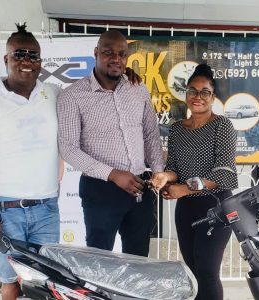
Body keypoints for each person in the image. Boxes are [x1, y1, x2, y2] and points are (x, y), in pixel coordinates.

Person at [0, 24, 61, 300]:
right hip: (5, 212)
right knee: (11, 285)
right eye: (19, 54)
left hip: (47, 209)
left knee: (48, 286)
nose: (26, 61)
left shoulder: (53, 95)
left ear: (40, 62)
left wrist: (123, 76)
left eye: (33, 55)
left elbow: (89, 99)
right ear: (5, 59)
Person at [57, 30, 164, 257]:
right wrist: (113, 174)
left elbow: (150, 134)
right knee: (99, 261)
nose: (116, 59)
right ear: (96, 53)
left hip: (140, 187)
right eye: (108, 53)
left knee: (138, 261)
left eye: (121, 54)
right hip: (100, 189)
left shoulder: (138, 89)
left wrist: (157, 172)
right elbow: (68, 148)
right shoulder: (72, 96)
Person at [151, 64, 238, 300]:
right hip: (187, 210)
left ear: (213, 97)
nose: (197, 97)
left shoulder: (222, 126)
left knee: (208, 272)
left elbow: (225, 174)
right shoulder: (177, 129)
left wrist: (184, 189)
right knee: (193, 272)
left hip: (215, 207)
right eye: (192, 91)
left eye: (204, 92)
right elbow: (175, 169)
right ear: (186, 94)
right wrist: (165, 177)